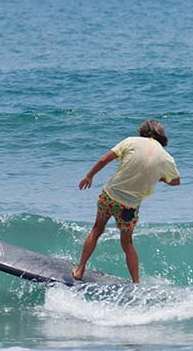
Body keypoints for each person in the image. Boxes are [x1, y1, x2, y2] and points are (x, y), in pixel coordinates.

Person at [72, 119, 180, 283]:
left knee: (97, 229)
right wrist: (161, 178)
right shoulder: (166, 158)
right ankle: (136, 282)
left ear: (142, 131)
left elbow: (104, 160)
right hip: (130, 206)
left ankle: (79, 270)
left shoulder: (131, 141)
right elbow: (176, 181)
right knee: (127, 243)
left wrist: (89, 176)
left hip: (110, 196)